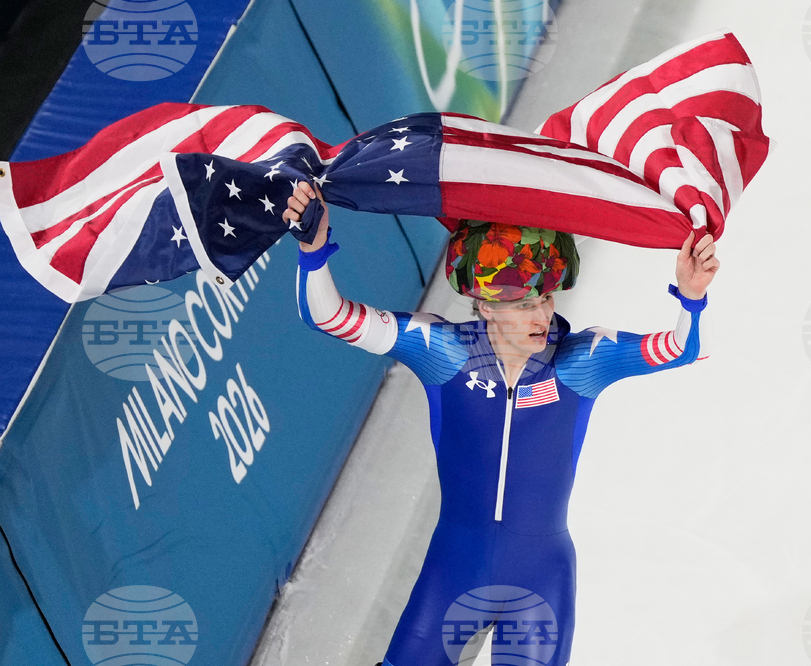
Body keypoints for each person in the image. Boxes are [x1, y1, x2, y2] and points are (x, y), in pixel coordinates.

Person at [285, 180, 717, 665]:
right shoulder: (440, 350)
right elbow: (328, 317)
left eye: (547, 299)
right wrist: (313, 251)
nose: (544, 314)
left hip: (539, 578)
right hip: (453, 571)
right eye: (526, 304)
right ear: (487, 305)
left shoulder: (583, 360)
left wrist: (690, 298)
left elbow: (682, 350)